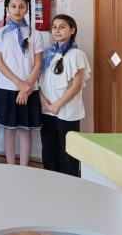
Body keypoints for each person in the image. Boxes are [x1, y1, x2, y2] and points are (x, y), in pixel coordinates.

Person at [0, 0, 44, 166]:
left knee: (25, 130)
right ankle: (10, 167)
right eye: (13, 6)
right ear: (7, 9)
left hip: (29, 89)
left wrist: (25, 88)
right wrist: (20, 84)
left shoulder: (35, 34)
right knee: (9, 131)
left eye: (21, 6)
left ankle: (24, 168)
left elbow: (38, 64)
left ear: (27, 9)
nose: (17, 10)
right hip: (7, 87)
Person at [39, 15, 90, 176]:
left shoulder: (76, 54)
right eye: (54, 27)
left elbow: (76, 85)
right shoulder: (48, 52)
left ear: (72, 30)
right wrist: (42, 99)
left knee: (67, 151)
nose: (57, 30)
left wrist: (58, 105)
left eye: (62, 27)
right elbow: (40, 80)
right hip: (47, 109)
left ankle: (68, 182)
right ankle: (50, 178)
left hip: (66, 111)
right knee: (49, 147)